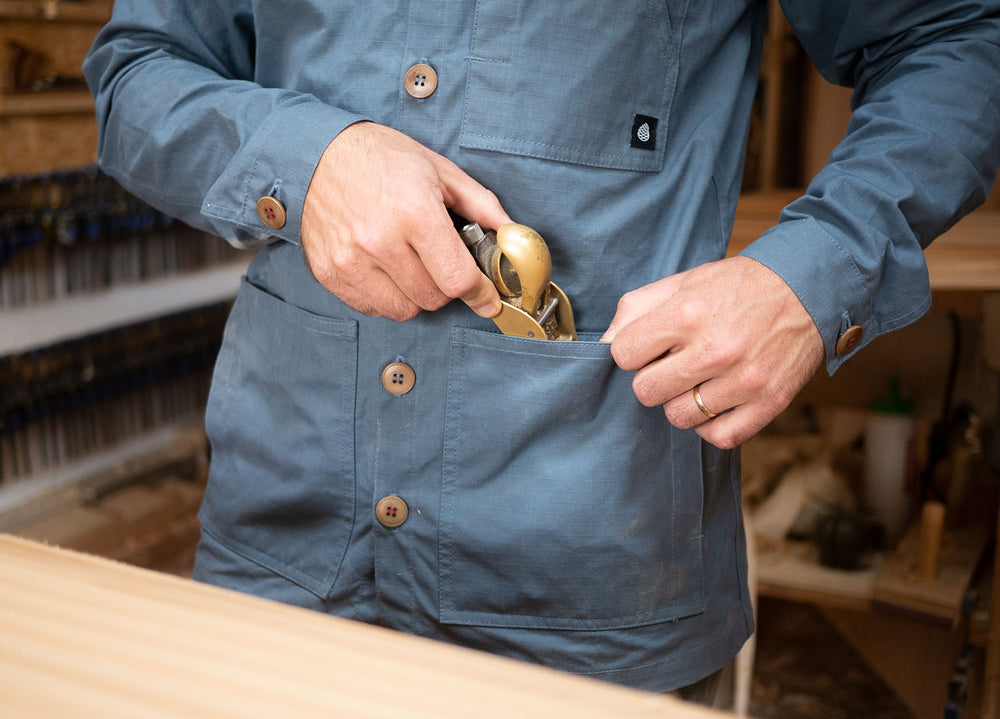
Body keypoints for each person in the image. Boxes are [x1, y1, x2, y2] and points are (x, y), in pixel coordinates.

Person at [83, 0, 1000, 698]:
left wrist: (812, 276)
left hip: (594, 607)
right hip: (272, 566)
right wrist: (308, 161)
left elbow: (961, 38)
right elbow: (138, 72)